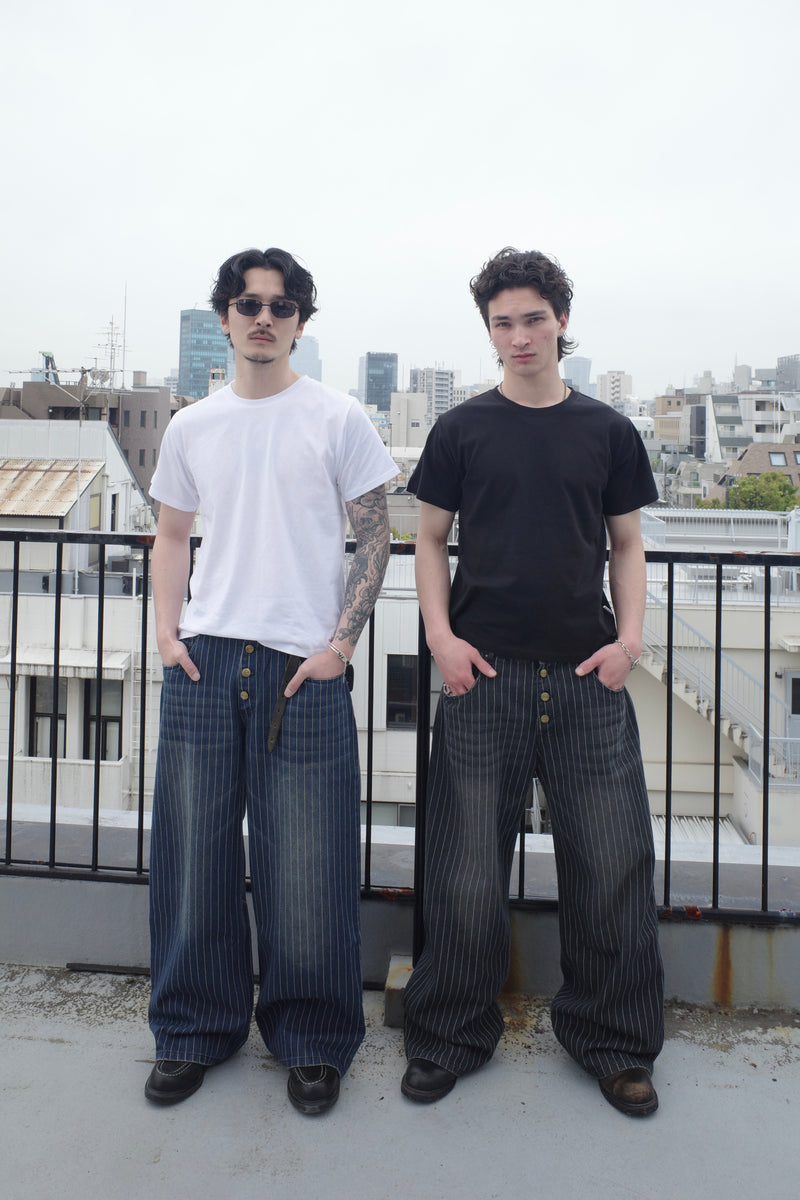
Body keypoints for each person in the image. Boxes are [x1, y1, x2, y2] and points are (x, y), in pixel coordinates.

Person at [402, 247, 664, 1117]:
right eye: (502, 323)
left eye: (533, 319)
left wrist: (629, 641)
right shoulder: (461, 430)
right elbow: (428, 539)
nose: (519, 336)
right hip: (484, 677)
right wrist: (441, 638)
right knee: (464, 870)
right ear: (489, 332)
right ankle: (447, 1036)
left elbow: (627, 543)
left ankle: (615, 1044)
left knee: (614, 864)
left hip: (590, 678)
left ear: (561, 322)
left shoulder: (608, 430)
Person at [144, 247, 397, 1115]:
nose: (264, 317)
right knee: (192, 857)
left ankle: (314, 1041)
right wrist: (167, 633)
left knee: (309, 863)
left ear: (300, 322)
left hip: (304, 666)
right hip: (206, 657)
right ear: (225, 317)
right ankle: (192, 1029)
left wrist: (342, 644)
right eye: (249, 303)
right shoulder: (193, 426)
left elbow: (376, 535)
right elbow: (172, 534)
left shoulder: (338, 417)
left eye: (281, 306)